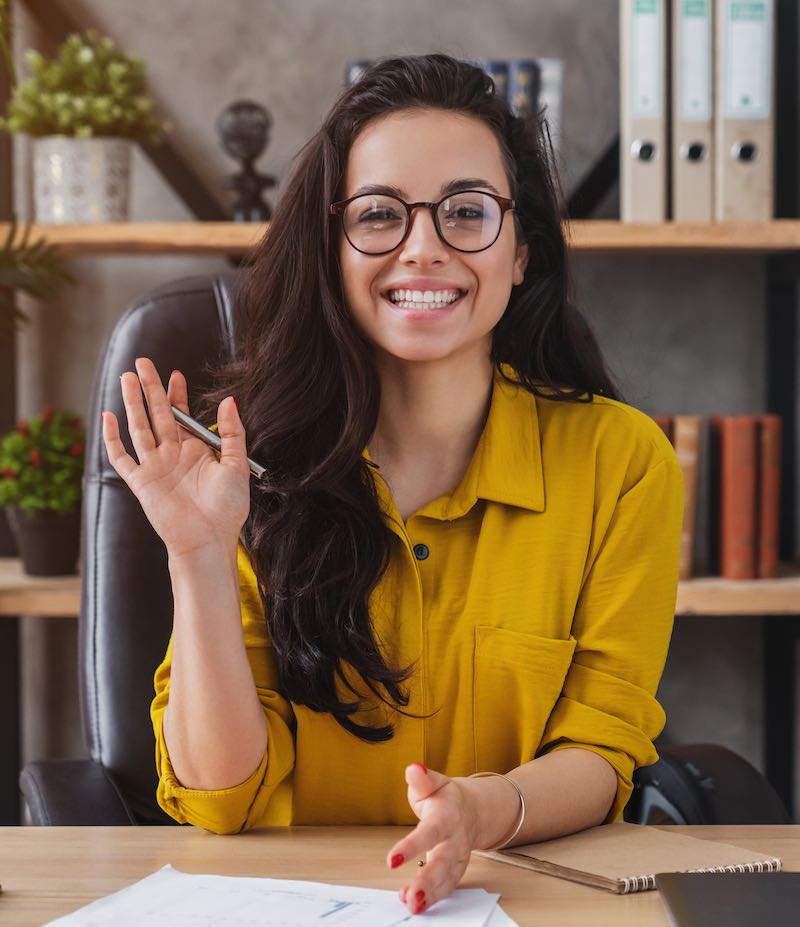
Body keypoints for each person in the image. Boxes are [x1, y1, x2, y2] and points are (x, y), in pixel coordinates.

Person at [101, 54, 683, 915]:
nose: (423, 246)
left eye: (467, 213)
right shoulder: (244, 466)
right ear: (334, 249)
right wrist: (198, 552)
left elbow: (604, 748)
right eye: (379, 214)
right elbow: (221, 797)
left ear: (522, 251)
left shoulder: (621, 462)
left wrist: (485, 808)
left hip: (511, 899)